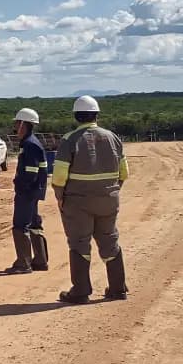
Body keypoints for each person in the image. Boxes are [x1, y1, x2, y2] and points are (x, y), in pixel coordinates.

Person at [52, 95, 130, 303]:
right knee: (109, 240)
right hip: (108, 199)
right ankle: (118, 288)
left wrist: (60, 197)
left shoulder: (69, 140)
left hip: (78, 202)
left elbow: (59, 176)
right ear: (96, 114)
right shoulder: (112, 137)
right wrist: (111, 191)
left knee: (79, 243)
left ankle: (81, 291)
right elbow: (124, 173)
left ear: (77, 116)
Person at [4, 108, 50, 274]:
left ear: (23, 124)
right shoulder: (32, 142)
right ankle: (40, 260)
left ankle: (23, 263)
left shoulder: (29, 144)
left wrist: (20, 185)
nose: (15, 127)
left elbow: (30, 172)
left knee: (21, 225)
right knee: (34, 223)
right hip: (34, 191)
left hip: (27, 192)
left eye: (17, 123)